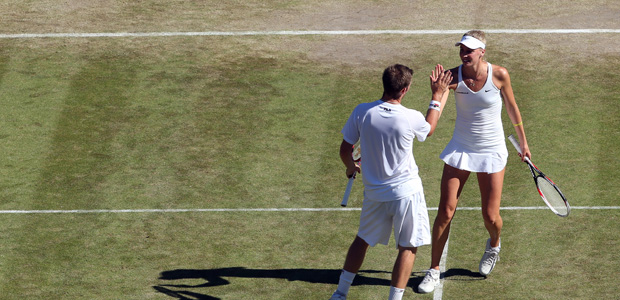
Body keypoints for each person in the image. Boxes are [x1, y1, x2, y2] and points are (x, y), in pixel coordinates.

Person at [418, 30, 532, 294]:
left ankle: (494, 243)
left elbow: (512, 107)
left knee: (491, 217)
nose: (464, 53)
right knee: (445, 211)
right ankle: (433, 269)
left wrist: (523, 141)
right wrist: (436, 94)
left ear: (482, 52)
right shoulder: (451, 77)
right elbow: (436, 113)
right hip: (461, 148)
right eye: (461, 49)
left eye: (469, 49)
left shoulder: (500, 75)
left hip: (492, 151)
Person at [330, 63, 452, 300]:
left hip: (375, 193)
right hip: (406, 193)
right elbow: (430, 129)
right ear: (405, 90)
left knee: (362, 240)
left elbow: (345, 150)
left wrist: (351, 167)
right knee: (408, 246)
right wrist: (437, 95)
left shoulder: (362, 112)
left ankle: (340, 293)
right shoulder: (410, 117)